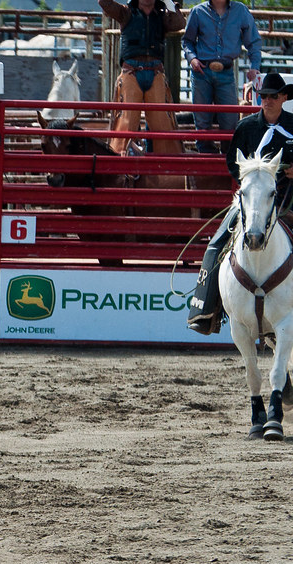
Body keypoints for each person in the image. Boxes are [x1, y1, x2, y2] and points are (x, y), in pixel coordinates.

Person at [187, 72, 293, 334]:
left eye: (273, 96)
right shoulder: (246, 128)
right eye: (264, 96)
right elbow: (232, 161)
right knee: (215, 246)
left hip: (290, 197)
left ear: (284, 98)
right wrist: (249, 183)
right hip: (251, 200)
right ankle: (205, 310)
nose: (267, 101)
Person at [99, 0, 186, 155]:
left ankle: (167, 161)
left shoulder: (162, 15)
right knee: (126, 121)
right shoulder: (126, 12)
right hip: (132, 71)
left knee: (161, 122)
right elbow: (104, 2)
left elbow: (179, 23)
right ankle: (119, 158)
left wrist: (169, 3)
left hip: (154, 71)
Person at [182, 0, 261, 154]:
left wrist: (255, 66)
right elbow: (187, 41)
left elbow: (253, 41)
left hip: (225, 71)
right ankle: (206, 159)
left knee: (230, 121)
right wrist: (192, 59)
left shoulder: (240, 11)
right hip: (202, 71)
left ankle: (227, 159)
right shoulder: (197, 12)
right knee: (202, 122)